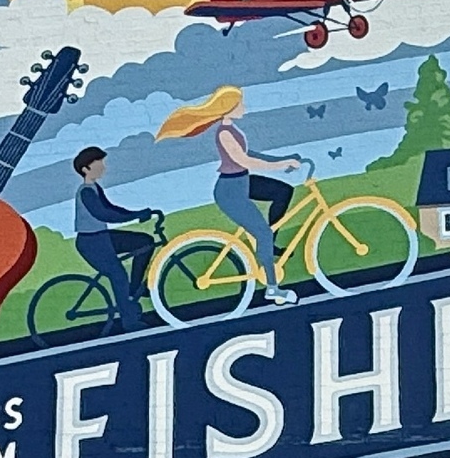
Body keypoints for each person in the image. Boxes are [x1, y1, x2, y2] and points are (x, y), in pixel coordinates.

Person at [157, 85, 305, 305]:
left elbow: (247, 155)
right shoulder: (225, 133)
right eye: (240, 103)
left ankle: (269, 244)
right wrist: (280, 165)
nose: (244, 107)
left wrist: (281, 159)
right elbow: (244, 161)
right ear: (229, 107)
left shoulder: (232, 129)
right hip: (231, 190)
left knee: (283, 191)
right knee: (262, 233)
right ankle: (273, 289)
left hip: (242, 181)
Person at [69, 147, 161, 329]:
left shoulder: (95, 187)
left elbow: (113, 208)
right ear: (86, 169)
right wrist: (133, 217)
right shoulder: (86, 191)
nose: (103, 167)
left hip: (103, 237)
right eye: (99, 163)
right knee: (118, 275)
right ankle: (130, 321)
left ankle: (135, 288)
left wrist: (138, 213)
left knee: (145, 242)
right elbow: (104, 214)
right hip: (91, 242)